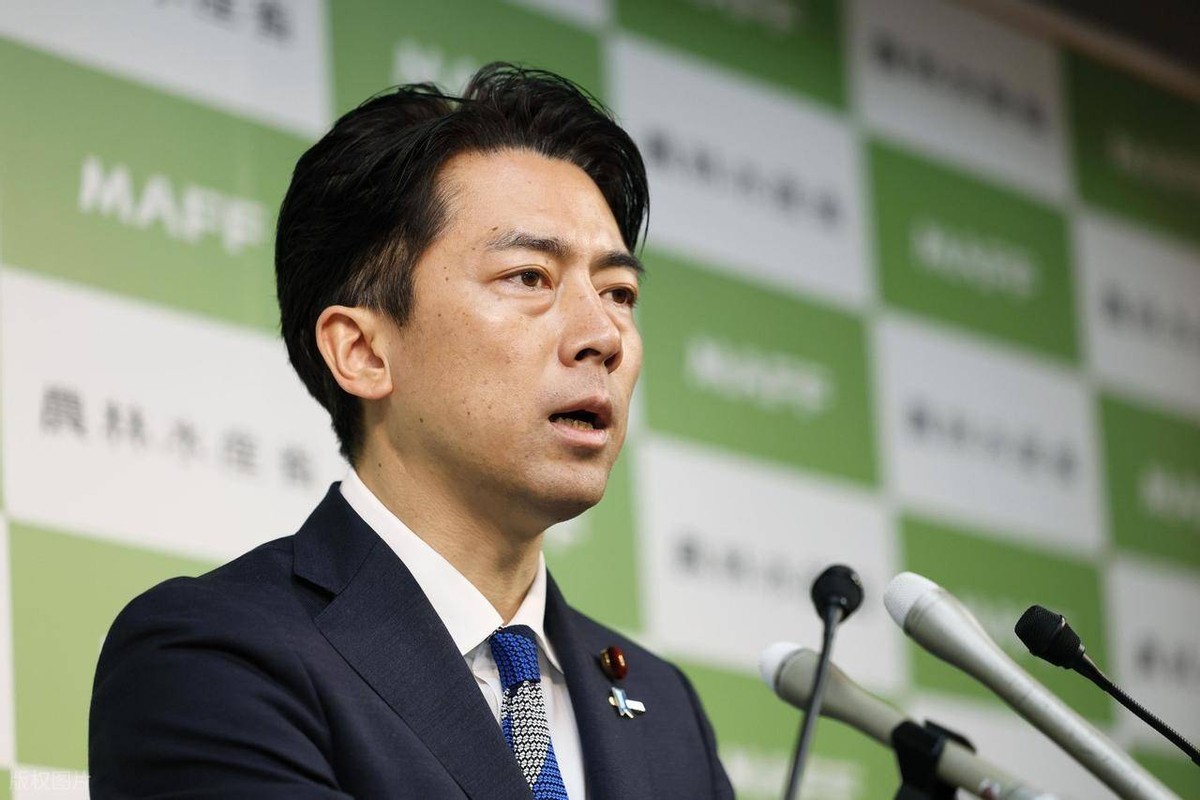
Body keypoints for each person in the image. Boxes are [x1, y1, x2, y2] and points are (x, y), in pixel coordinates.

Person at [89, 63, 735, 799]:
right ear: (363, 352)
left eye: (618, 291)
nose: (605, 336)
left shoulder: (665, 708)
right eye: (529, 277)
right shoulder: (215, 657)